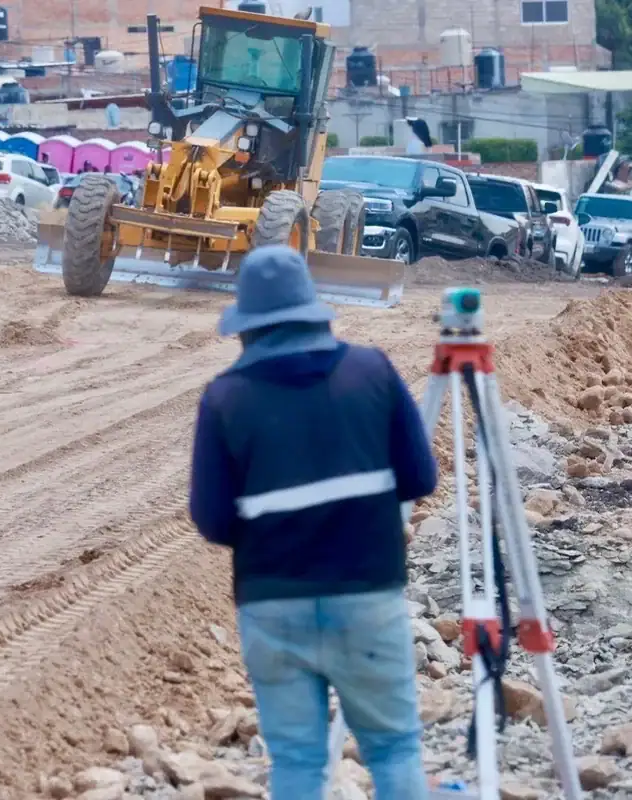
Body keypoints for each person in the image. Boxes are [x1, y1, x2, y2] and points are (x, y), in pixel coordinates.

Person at [188, 245, 438, 800]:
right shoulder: (371, 371)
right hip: (368, 598)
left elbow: (210, 520)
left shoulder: (224, 399)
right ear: (313, 311)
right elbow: (420, 478)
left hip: (273, 607)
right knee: (394, 749)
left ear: (246, 328)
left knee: (298, 763)